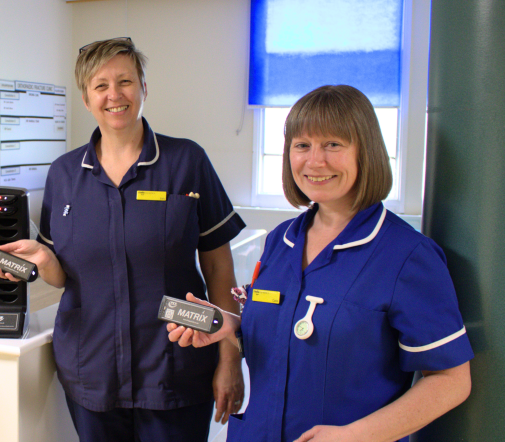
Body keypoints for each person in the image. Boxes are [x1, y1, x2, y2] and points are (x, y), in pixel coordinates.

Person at [168, 84, 473, 442]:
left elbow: (451, 380)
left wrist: (356, 436)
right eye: (302, 145)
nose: (315, 161)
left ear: (366, 151)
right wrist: (229, 326)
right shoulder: (280, 241)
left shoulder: (407, 256)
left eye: (333, 144)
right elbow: (284, 335)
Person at [0, 37, 246, 441]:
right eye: (100, 85)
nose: (114, 95)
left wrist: (230, 356)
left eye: (125, 81)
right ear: (86, 98)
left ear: (143, 88)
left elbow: (218, 267)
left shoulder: (186, 162)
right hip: (92, 371)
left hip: (175, 370)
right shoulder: (64, 174)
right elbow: (64, 275)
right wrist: (44, 260)